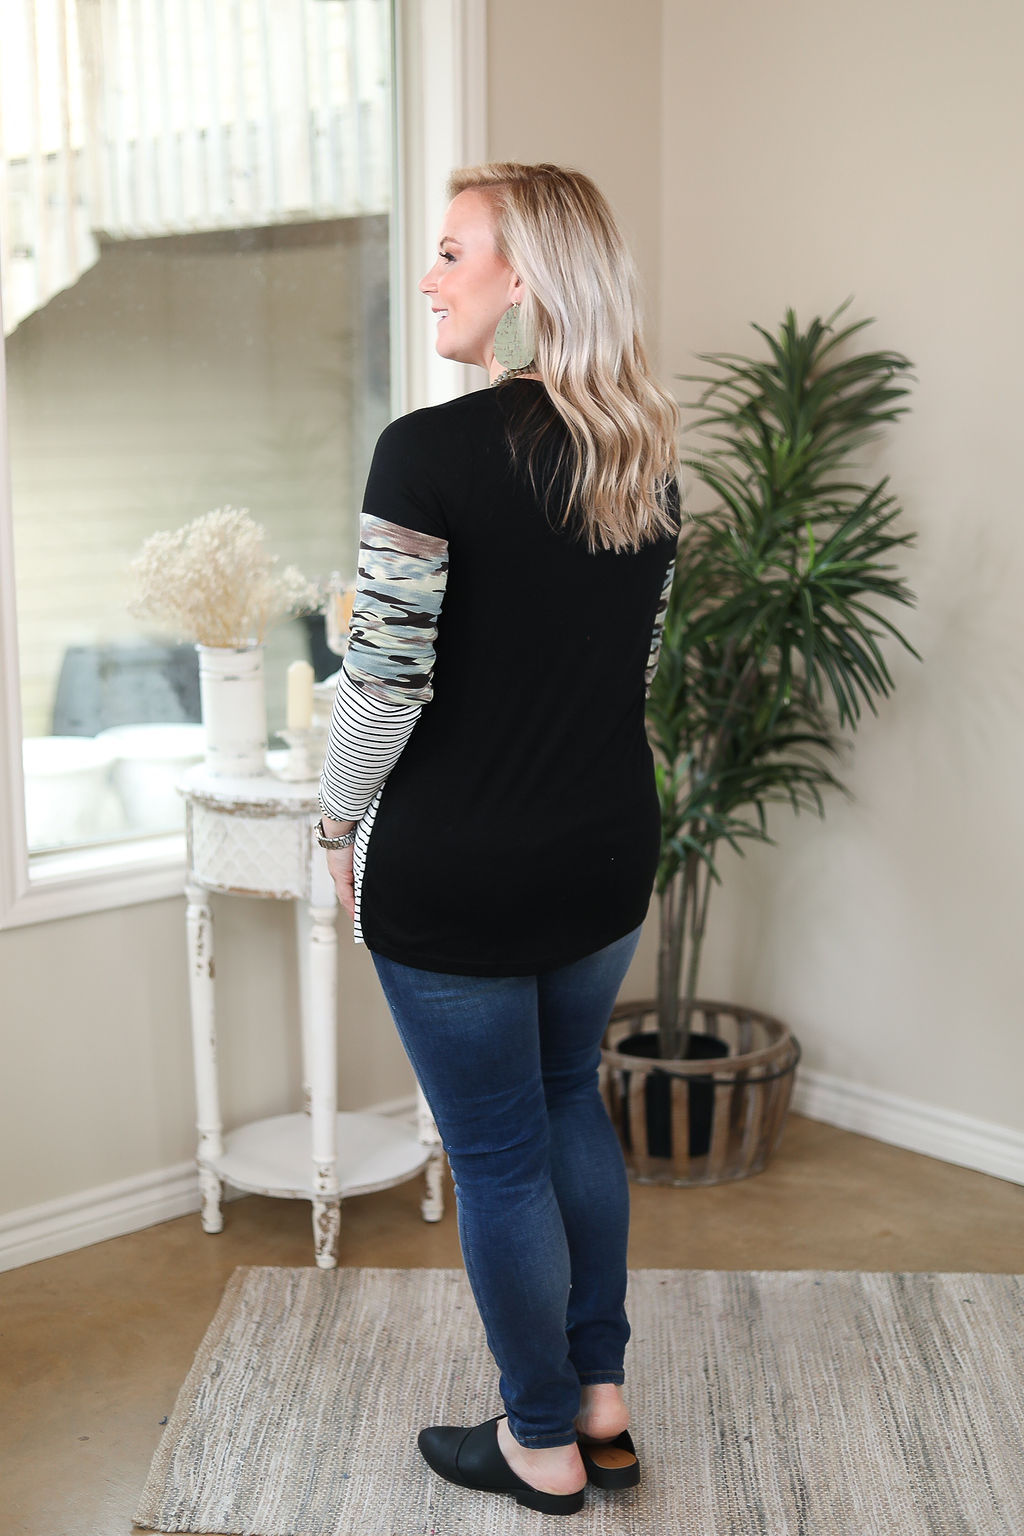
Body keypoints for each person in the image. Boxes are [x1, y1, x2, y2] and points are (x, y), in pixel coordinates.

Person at [316, 162, 679, 1517]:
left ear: (524, 279)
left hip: (461, 869)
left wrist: (335, 817)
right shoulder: (643, 455)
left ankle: (536, 1442)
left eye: (453, 252)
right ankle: (600, 1400)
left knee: (499, 1157)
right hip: (604, 852)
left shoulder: (427, 451)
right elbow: (630, 678)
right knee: (567, 1099)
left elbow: (384, 681)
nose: (430, 278)